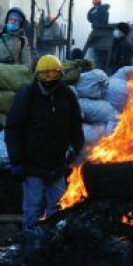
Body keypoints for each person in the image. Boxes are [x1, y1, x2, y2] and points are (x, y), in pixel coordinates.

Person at [5, 55, 84, 230]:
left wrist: (79, 153)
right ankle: (29, 247)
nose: (49, 81)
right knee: (32, 210)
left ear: (60, 76)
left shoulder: (67, 95)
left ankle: (52, 245)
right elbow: (13, 129)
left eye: (53, 76)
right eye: (44, 76)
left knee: (58, 209)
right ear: (37, 76)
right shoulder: (27, 96)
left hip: (57, 165)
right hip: (32, 165)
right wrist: (16, 161)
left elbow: (75, 127)